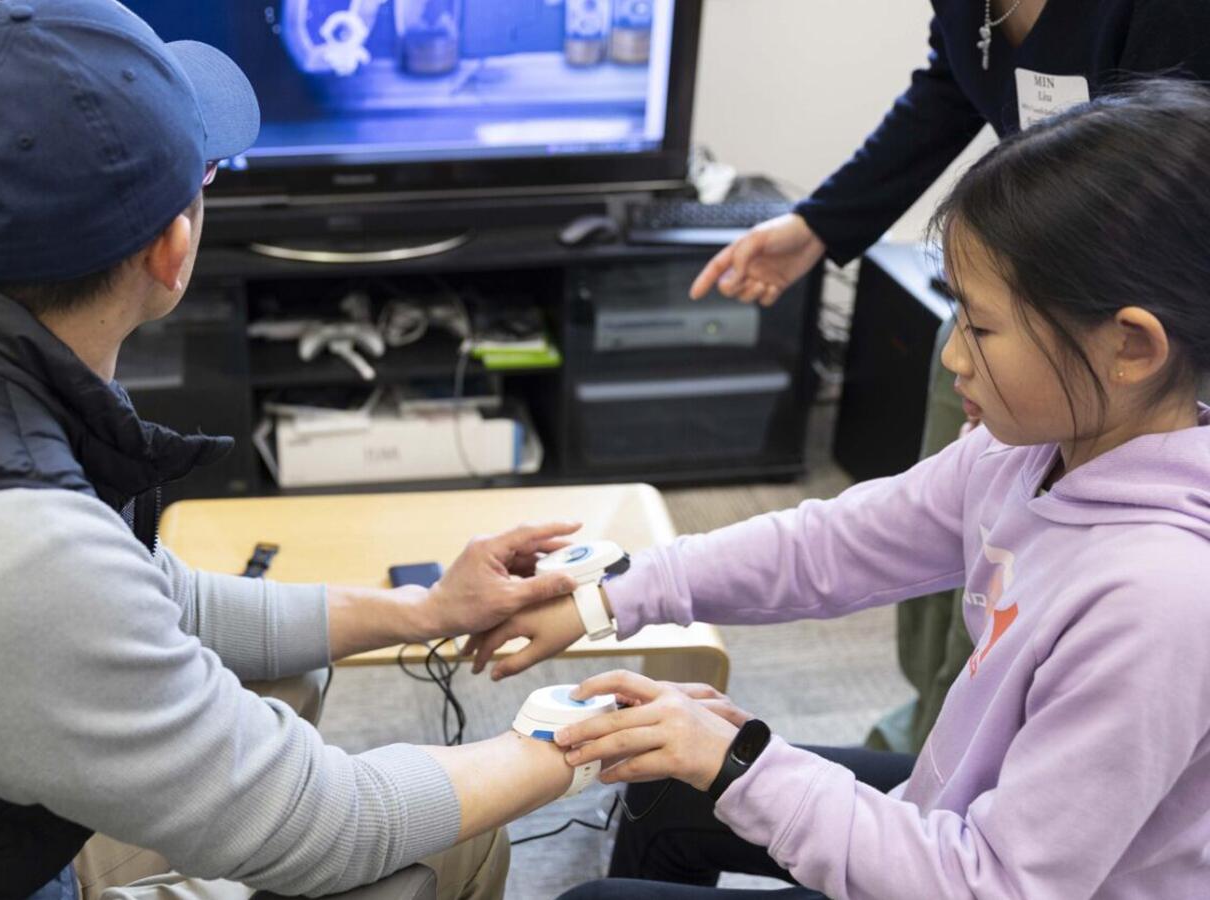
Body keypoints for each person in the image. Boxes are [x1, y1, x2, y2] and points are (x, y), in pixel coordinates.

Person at [0, 3, 590, 899]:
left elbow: (135, 593)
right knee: (448, 846)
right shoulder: (6, 549)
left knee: (291, 684)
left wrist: (418, 611)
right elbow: (324, 824)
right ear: (173, 251)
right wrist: (570, 738)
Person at [471, 81, 1210, 897]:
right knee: (658, 778)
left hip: (980, 877)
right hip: (954, 820)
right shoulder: (1034, 453)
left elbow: (992, 886)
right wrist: (607, 599)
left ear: (1131, 347)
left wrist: (743, 762)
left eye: (982, 326)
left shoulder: (1161, 601)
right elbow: (834, 545)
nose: (955, 357)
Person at [689, 0, 1210, 754]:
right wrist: (821, 225)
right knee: (961, 526)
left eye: (982, 332)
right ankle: (936, 721)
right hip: (1048, 304)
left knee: (1057, 598)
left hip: (1125, 315)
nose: (959, 356)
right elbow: (945, 89)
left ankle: (992, 737)